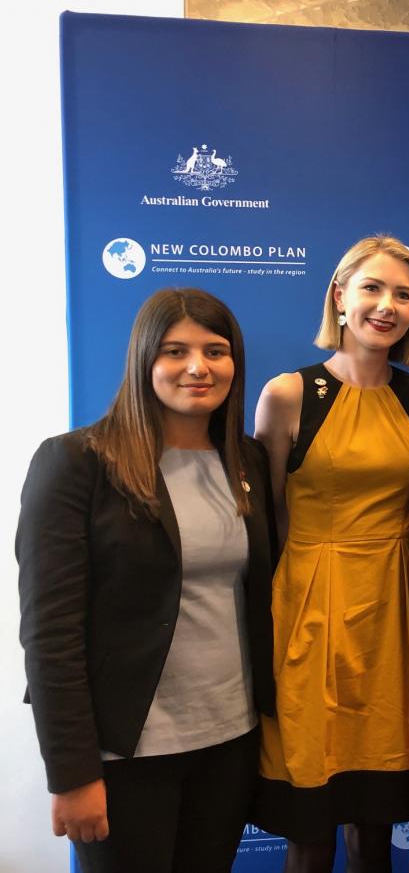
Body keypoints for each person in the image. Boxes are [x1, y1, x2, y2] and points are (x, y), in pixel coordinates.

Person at [17, 288, 276, 873]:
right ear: (143, 360)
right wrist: (73, 772)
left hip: (229, 744)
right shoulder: (76, 463)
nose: (197, 368)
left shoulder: (248, 462)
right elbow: (50, 633)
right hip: (124, 753)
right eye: (175, 351)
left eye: (215, 351)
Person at [252, 236, 409, 871]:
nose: (386, 306)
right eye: (372, 288)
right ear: (339, 296)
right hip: (308, 613)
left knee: (375, 820)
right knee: (309, 825)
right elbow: (267, 522)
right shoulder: (288, 394)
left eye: (403, 294)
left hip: (391, 618)